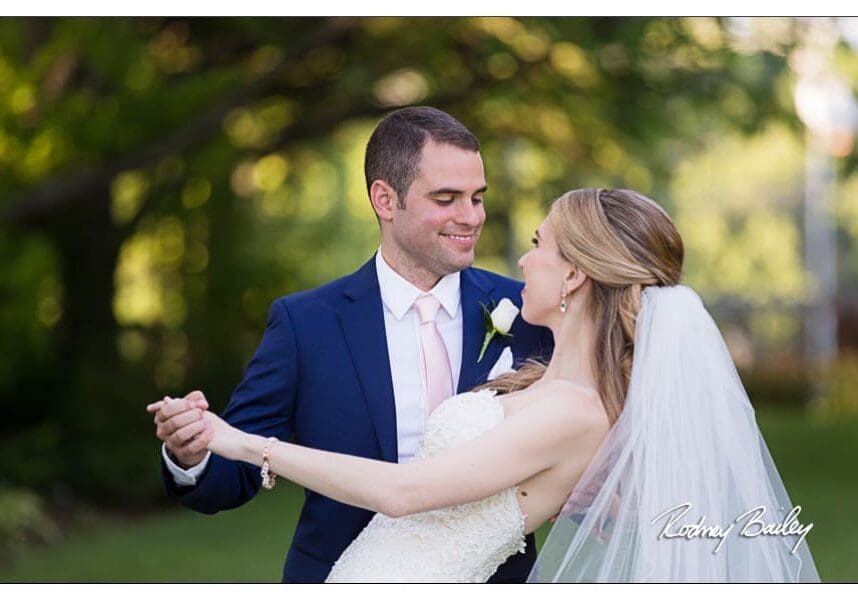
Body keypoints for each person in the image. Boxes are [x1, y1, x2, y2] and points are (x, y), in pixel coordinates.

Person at [151, 187, 820, 582]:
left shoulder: (578, 413)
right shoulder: (537, 380)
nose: (522, 257)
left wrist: (242, 442)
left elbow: (404, 491)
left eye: (540, 244)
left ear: (578, 275)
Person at [147, 106, 553, 583]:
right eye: (447, 198)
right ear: (385, 199)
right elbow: (230, 476)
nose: (470, 217)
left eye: (477, 197)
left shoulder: (528, 312)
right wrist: (191, 454)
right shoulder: (306, 325)